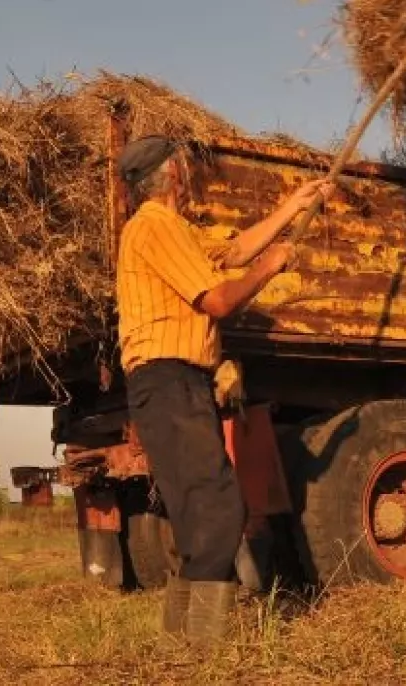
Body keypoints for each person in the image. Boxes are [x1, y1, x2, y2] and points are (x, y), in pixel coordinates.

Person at [114, 134, 331, 643]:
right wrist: (270, 268)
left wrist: (292, 207)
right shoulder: (153, 227)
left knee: (196, 513)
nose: (189, 174)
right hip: (167, 380)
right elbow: (217, 300)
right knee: (219, 506)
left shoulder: (172, 229)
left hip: (174, 383)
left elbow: (231, 250)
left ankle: (180, 639)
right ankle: (206, 645)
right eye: (183, 166)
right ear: (172, 174)